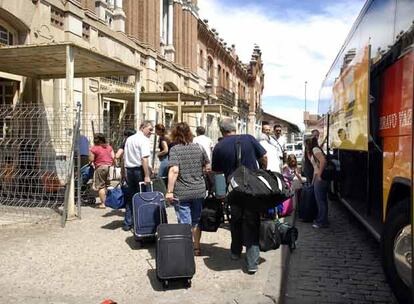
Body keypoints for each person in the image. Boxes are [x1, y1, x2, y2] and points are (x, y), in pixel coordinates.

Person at [212, 118, 267, 274]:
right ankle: (252, 263)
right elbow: (264, 157)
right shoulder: (249, 139)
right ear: (235, 128)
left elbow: (217, 173)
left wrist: (221, 194)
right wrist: (262, 172)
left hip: (233, 190)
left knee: (235, 221)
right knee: (252, 223)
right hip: (251, 188)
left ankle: (235, 252)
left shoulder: (219, 146)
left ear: (221, 130)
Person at [165, 122, 210, 256]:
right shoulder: (199, 147)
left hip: (182, 191)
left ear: (175, 134)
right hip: (199, 190)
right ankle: (196, 248)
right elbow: (208, 167)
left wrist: (169, 191)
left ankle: (186, 249)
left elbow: (174, 170)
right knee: (196, 220)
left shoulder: (175, 150)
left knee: (184, 221)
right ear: (190, 133)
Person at [122, 121, 153, 231]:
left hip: (130, 170)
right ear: (142, 128)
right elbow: (144, 158)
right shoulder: (143, 140)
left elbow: (125, 157)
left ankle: (128, 222)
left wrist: (124, 172)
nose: (151, 132)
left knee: (131, 196)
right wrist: (147, 175)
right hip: (139, 170)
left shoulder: (129, 139)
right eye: (149, 129)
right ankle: (142, 223)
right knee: (144, 197)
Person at [305, 137, 329, 229]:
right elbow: (316, 167)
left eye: (306, 144)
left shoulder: (315, 149)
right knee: (322, 200)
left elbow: (323, 161)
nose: (305, 146)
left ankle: (322, 222)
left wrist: (319, 175)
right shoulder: (313, 150)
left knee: (321, 201)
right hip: (318, 178)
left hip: (321, 179)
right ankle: (323, 220)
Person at [89, 133, 114, 209]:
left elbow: (91, 159)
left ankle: (103, 204)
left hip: (100, 167)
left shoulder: (94, 148)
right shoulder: (109, 147)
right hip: (109, 167)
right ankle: (109, 201)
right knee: (108, 185)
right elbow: (113, 157)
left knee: (101, 186)